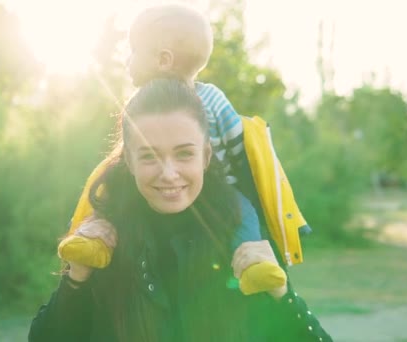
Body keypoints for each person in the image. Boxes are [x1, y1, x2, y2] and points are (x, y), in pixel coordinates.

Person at [29, 79, 331, 341]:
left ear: (206, 155)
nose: (169, 173)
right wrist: (76, 277)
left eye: (184, 153)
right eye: (149, 156)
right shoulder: (104, 241)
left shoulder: (243, 236)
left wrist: (282, 297)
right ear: (130, 163)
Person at [59, 2, 310, 296]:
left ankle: (252, 264)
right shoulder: (139, 106)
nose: (128, 61)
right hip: (147, 193)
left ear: (164, 59)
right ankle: (94, 243)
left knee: (244, 213)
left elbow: (238, 148)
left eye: (134, 51)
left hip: (220, 189)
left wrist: (240, 191)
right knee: (110, 201)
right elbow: (123, 160)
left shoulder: (212, 99)